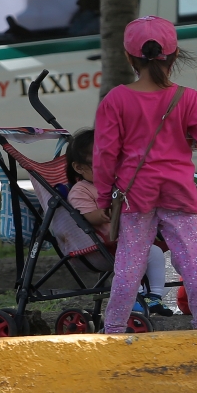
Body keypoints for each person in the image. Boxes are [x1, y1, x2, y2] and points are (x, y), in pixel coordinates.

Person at [94, 16, 197, 333]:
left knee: (129, 262)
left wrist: (102, 195)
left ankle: (112, 328)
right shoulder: (189, 98)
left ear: (129, 58)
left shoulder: (116, 99)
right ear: (174, 55)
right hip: (179, 191)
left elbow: (105, 155)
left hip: (134, 192)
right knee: (192, 260)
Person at [56, 129, 170, 314]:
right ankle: (133, 296)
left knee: (156, 253)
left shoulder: (117, 183)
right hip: (106, 245)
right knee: (134, 256)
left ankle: (155, 296)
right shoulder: (81, 190)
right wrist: (104, 213)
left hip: (131, 239)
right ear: (79, 168)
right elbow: (87, 216)